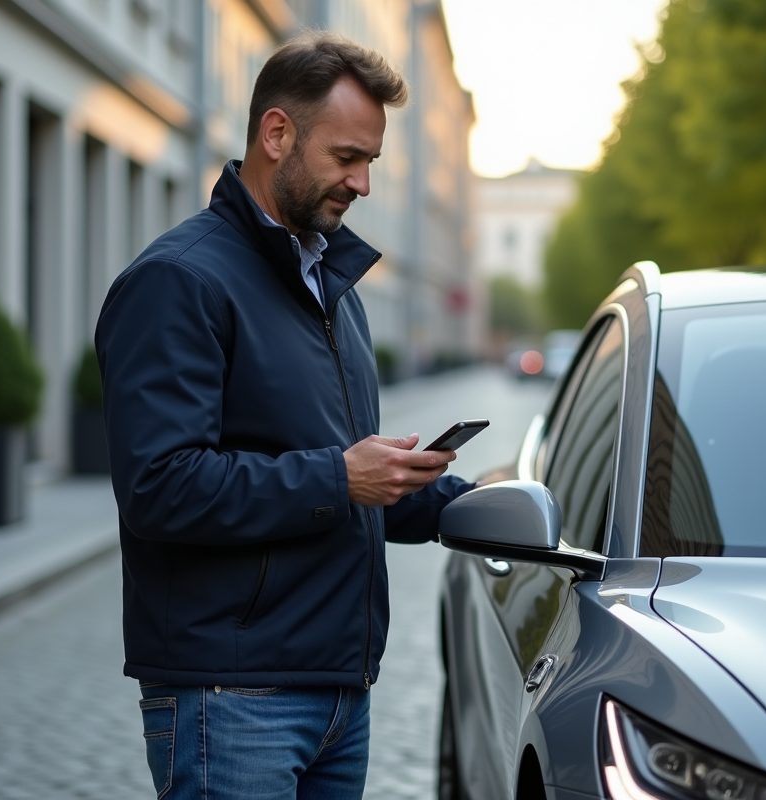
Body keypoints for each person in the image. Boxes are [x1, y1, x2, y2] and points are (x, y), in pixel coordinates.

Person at [94, 31, 473, 800]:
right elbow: (161, 487)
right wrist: (341, 476)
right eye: (347, 158)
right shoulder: (179, 281)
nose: (363, 183)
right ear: (277, 134)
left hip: (337, 688)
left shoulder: (333, 287)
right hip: (232, 696)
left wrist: (463, 502)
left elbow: (340, 481)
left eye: (370, 160)